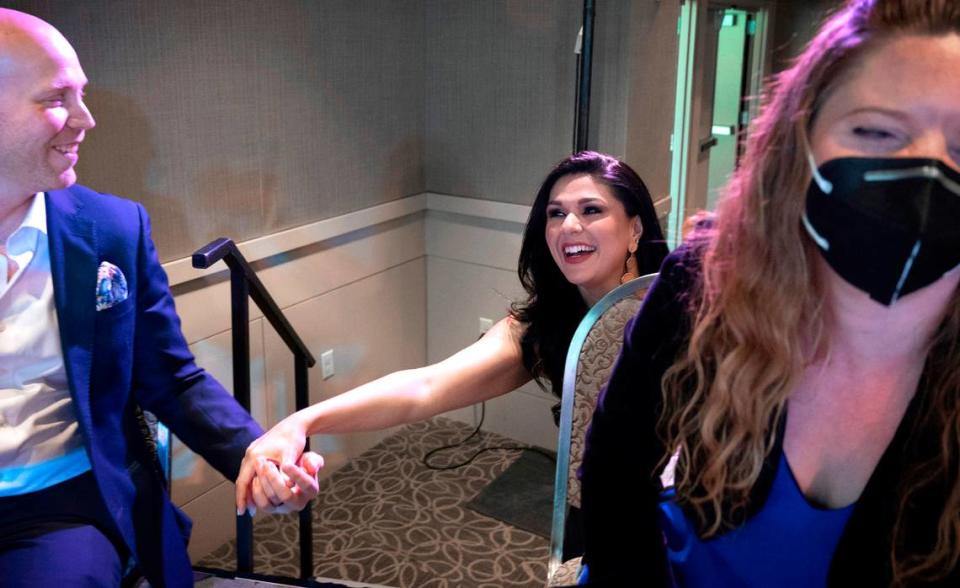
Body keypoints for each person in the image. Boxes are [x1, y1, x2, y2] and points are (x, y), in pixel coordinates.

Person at [580, 0, 960, 586]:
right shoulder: (706, 281)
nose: (925, 172)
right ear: (799, 147)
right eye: (877, 130)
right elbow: (614, 476)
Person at [0, 9, 320, 587]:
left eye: (83, 95)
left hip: (59, 506)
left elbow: (171, 378)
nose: (85, 119)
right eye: (56, 99)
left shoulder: (113, 229)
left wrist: (259, 454)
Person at [236, 151, 670, 536]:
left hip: (682, 517)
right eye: (555, 214)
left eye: (591, 210)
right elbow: (425, 387)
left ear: (634, 230)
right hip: (592, 515)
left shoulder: (677, 315)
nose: (568, 225)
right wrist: (300, 424)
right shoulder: (543, 327)